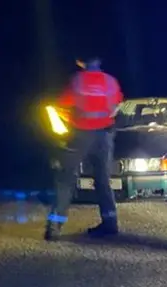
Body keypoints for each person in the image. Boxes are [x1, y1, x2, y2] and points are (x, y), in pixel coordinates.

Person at [44, 57, 124, 241]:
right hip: (104, 136)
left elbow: (64, 103)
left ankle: (54, 227)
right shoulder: (110, 81)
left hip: (80, 134)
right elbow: (118, 104)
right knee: (103, 180)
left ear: (81, 62)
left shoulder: (78, 80)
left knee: (66, 179)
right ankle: (110, 223)